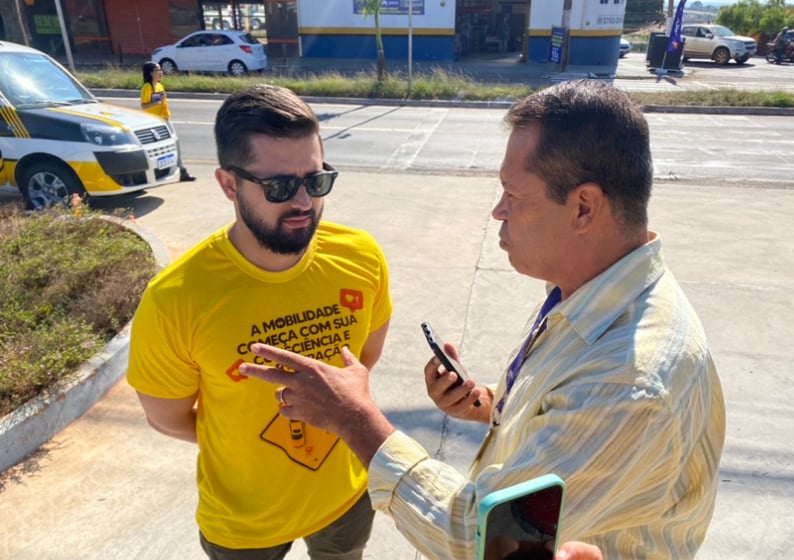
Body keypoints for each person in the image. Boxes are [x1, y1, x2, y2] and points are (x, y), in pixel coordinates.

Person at [238, 80, 726, 559]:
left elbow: (479, 538)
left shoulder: (626, 383)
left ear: (583, 207)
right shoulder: (592, 294)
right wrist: (489, 407)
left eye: (514, 195)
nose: (498, 211)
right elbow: (562, 418)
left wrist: (355, 419)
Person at [127, 84, 393, 559]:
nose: (303, 203)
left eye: (315, 180)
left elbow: (365, 359)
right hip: (243, 525)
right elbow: (167, 419)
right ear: (229, 185)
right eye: (279, 187)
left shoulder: (361, 257)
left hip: (346, 498)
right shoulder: (176, 299)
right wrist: (245, 438)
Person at [140, 61, 196, 181]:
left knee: (175, 143)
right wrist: (158, 101)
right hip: (153, 122)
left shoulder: (159, 86)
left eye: (160, 70)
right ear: (150, 73)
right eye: (157, 70)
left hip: (165, 118)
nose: (160, 73)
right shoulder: (147, 87)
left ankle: (182, 170)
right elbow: (144, 106)